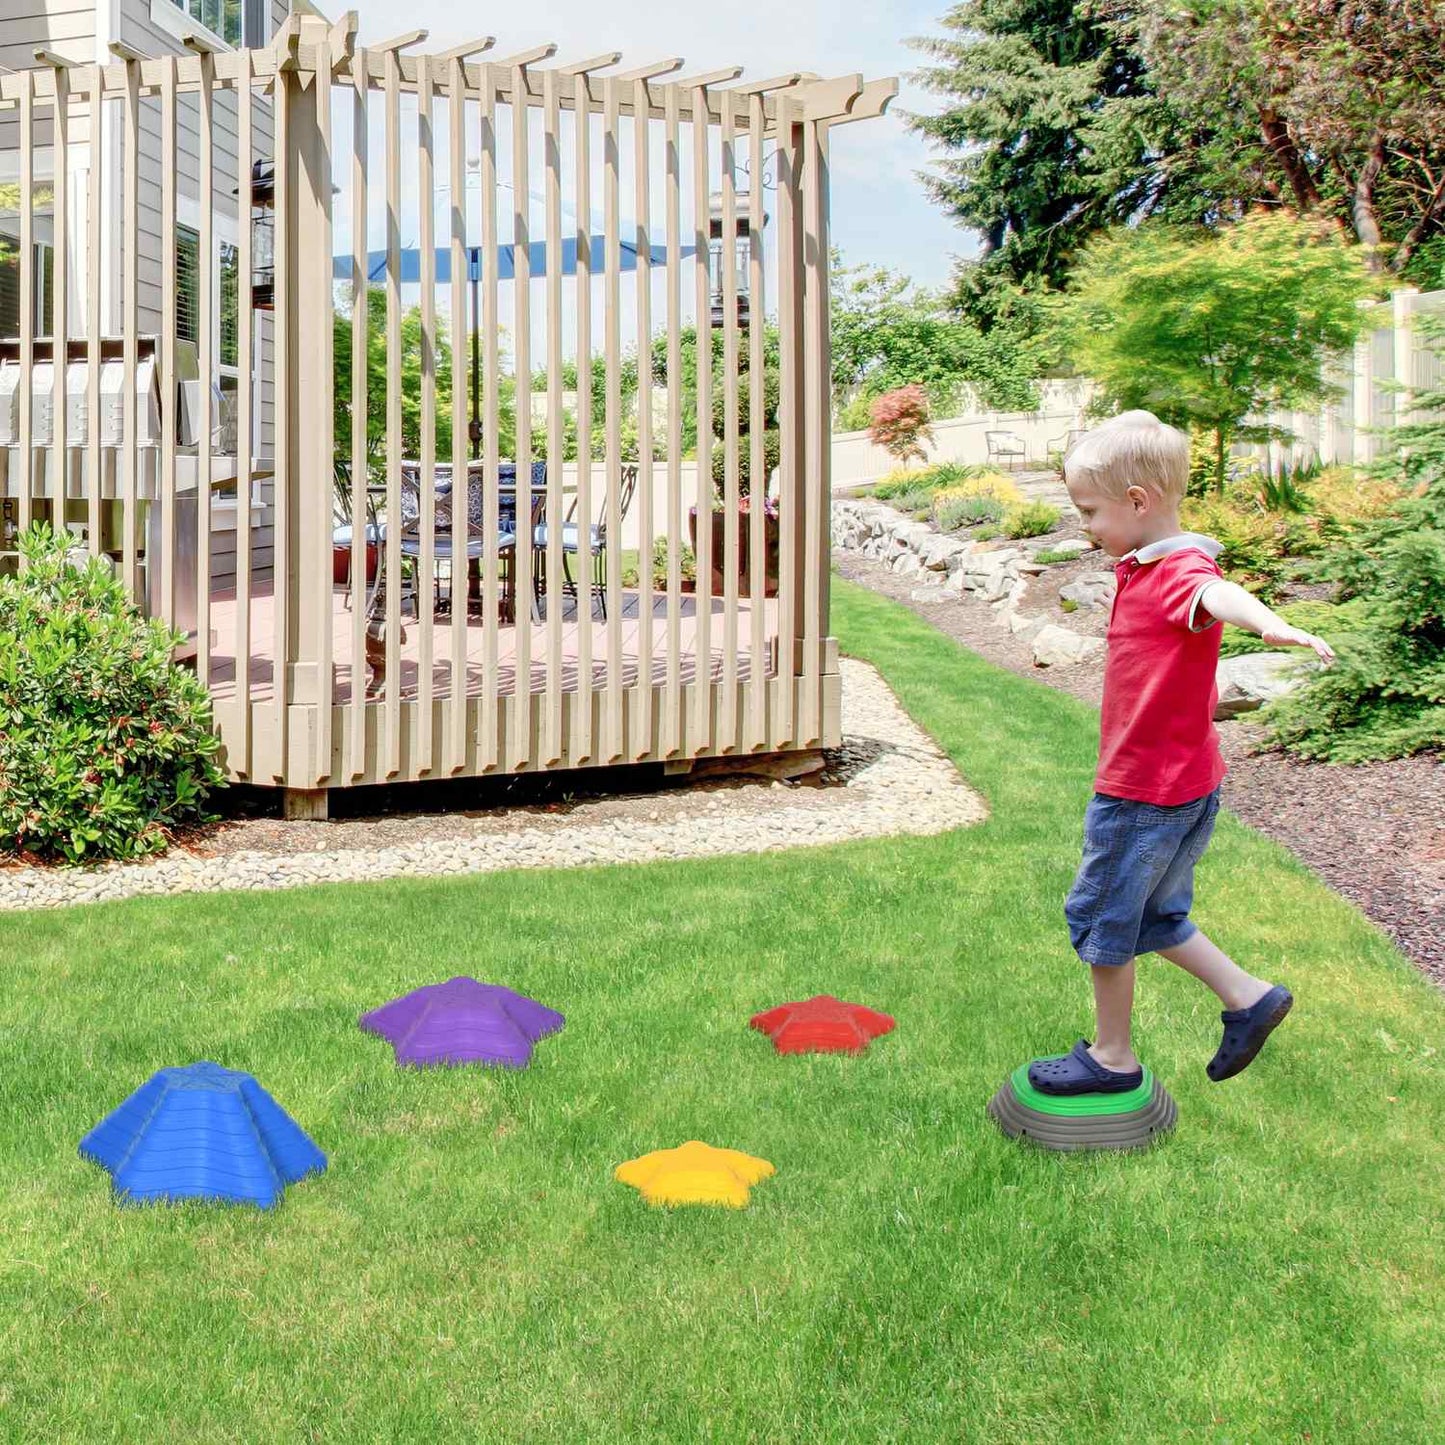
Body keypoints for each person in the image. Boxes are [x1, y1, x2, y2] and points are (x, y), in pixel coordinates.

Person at [1028, 412, 1334, 1095]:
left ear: (1137, 501)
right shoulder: (1147, 564)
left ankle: (1112, 1057)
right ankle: (1248, 996)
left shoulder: (1177, 570)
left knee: (1100, 917)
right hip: (1187, 784)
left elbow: (1214, 593)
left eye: (1090, 511)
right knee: (1154, 916)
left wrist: (1269, 623)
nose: (1085, 526)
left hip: (1144, 791)